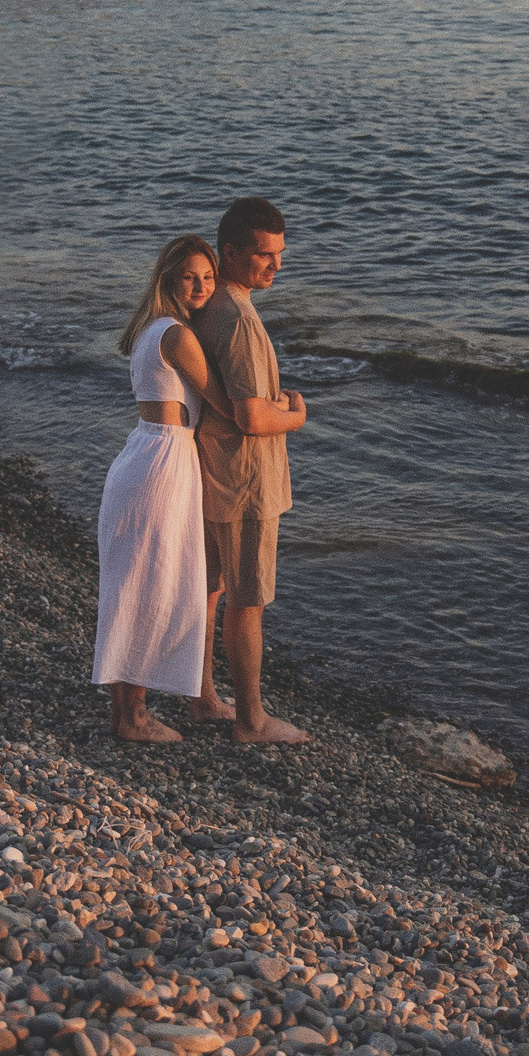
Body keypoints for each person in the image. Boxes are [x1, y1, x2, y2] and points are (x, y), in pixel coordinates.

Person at [93, 235, 236, 742]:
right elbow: (222, 402)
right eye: (190, 277)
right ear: (170, 278)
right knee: (149, 586)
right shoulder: (176, 335)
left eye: (209, 278)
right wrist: (288, 412)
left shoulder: (151, 329)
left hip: (145, 454)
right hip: (163, 463)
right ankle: (131, 717)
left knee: (139, 584)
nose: (201, 287)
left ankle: (158, 706)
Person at [192, 196, 310, 745]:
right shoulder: (237, 318)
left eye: (281, 254)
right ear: (232, 252)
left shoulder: (212, 303)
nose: (277, 266)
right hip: (246, 481)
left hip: (215, 473)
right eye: (265, 255)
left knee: (214, 590)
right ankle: (251, 721)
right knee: (247, 601)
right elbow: (250, 416)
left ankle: (204, 697)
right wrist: (295, 415)